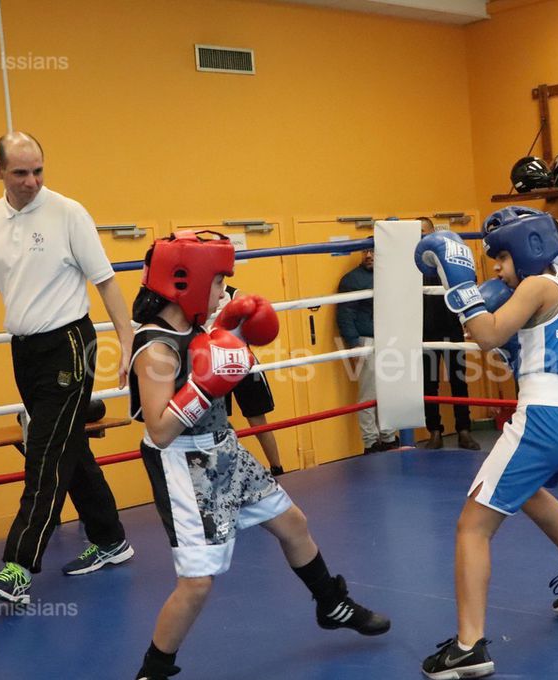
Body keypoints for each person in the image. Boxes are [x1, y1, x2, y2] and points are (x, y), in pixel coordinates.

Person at [128, 231, 389, 680]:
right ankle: (153, 670)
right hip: (183, 464)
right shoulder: (156, 347)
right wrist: (205, 385)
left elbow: (214, 359)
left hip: (224, 447)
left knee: (293, 524)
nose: (223, 291)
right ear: (185, 282)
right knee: (196, 585)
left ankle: (330, 604)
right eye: (218, 282)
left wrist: (227, 334)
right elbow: (159, 428)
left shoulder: (194, 327)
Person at [414, 207, 558, 680]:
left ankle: (468, 647)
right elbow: (527, 343)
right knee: (525, 491)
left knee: (472, 526)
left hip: (543, 419)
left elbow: (485, 335)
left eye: (501, 258)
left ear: (528, 249)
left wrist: (458, 283)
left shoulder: (533, 285)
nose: (498, 270)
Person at [0, 132, 134, 604]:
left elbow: (106, 282)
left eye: (38, 171)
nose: (31, 181)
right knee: (67, 445)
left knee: (44, 453)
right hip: (25, 351)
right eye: (21, 172)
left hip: (69, 345)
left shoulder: (68, 212)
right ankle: (110, 539)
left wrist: (129, 343)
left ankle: (18, 568)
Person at [418, 218, 479, 451]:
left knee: (458, 379)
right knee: (429, 382)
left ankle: (464, 430)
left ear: (433, 233)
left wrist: (469, 322)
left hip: (451, 326)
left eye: (424, 232)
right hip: (424, 330)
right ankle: (434, 432)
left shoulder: (451, 256)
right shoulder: (412, 263)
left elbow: (468, 286)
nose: (421, 238)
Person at [216, 284, 286, 475]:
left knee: (257, 419)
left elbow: (255, 323)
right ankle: (224, 477)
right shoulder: (195, 298)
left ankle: (277, 468)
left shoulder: (235, 295)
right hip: (212, 364)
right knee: (216, 424)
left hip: (242, 359)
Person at [336, 248, 397, 453]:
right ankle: (371, 441)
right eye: (365, 251)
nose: (369, 255)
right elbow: (345, 313)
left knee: (390, 390)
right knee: (368, 393)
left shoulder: (390, 275)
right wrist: (354, 343)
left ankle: (389, 437)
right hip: (366, 339)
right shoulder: (352, 280)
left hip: (389, 339)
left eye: (373, 251)